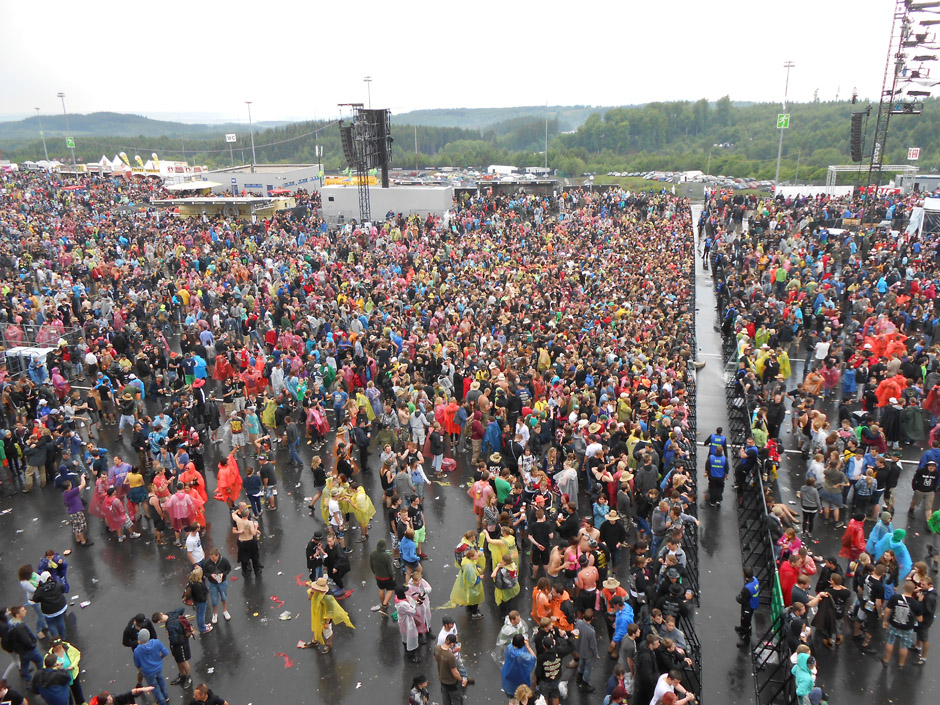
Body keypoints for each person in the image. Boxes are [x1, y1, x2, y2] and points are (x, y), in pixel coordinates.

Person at [303, 577, 354, 654]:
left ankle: (328, 644)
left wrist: (327, 622)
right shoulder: (316, 592)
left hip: (326, 616)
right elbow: (309, 598)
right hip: (318, 614)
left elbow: (330, 611)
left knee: (327, 631)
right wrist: (311, 593)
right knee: (316, 627)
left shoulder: (328, 597)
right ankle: (315, 640)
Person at [882, 579, 924, 668]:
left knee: (890, 641)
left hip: (893, 624)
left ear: (903, 587)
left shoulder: (895, 597)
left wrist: (885, 620)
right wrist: (920, 602)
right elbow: (920, 619)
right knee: (904, 646)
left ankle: (886, 660)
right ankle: (901, 664)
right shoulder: (916, 604)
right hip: (907, 628)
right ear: (913, 591)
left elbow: (887, 610)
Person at [151, 609, 192, 688]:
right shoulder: (170, 613)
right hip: (182, 641)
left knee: (183, 661)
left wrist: (170, 638)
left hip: (180, 644)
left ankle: (188, 676)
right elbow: (181, 609)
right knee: (178, 660)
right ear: (161, 613)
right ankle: (182, 675)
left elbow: (173, 639)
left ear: (159, 621)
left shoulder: (170, 626)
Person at [132, 629, 170, 705]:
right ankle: (166, 697)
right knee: (161, 682)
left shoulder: (137, 650)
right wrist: (160, 658)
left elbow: (137, 664)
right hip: (158, 668)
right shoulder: (157, 642)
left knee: (154, 687)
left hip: (148, 672)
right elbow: (165, 652)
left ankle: (161, 702)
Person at [450, 547, 484, 619]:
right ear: (471, 557)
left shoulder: (466, 561)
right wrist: (479, 577)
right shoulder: (469, 567)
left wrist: (477, 566)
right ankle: (474, 614)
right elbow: (471, 581)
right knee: (475, 599)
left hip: (465, 585)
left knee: (469, 598)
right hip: (472, 587)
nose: (477, 556)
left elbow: (474, 564)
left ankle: (470, 607)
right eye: (475, 555)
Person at [434, 634, 466, 705]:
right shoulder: (450, 656)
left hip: (442, 680)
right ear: (452, 643)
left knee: (445, 700)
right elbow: (455, 672)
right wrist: (461, 679)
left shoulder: (437, 648)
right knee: (456, 700)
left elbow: (435, 659)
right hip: (452, 683)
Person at [232, 502, 263, 576]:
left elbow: (233, 514)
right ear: (247, 514)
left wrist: (237, 510)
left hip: (241, 541)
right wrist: (256, 527)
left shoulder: (238, 520)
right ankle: (257, 570)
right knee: (254, 557)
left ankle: (245, 571)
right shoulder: (249, 523)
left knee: (244, 558)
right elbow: (253, 533)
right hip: (250, 541)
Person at [202, 548, 232, 624]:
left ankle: (225, 611)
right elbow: (205, 572)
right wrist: (211, 575)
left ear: (217, 555)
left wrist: (222, 574)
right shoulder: (207, 563)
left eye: (214, 557)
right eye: (211, 558)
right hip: (212, 584)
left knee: (224, 597)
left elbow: (228, 569)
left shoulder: (224, 561)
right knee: (214, 600)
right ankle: (215, 614)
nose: (212, 559)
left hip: (222, 582)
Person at [534, 633, 563, 705]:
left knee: (544, 697)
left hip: (546, 681)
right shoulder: (559, 652)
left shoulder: (541, 657)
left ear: (544, 646)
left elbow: (538, 672)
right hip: (557, 678)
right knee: (555, 695)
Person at [574, 609, 599, 693]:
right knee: (587, 668)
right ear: (592, 618)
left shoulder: (578, 623)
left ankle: (578, 678)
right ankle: (585, 683)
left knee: (581, 664)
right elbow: (593, 645)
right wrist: (596, 654)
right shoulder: (591, 631)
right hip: (587, 652)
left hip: (580, 650)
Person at [736, 567, 760, 647]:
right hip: (753, 603)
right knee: (745, 620)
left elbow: (741, 599)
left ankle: (746, 640)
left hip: (748, 607)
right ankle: (742, 630)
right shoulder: (755, 580)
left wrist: (738, 597)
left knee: (746, 621)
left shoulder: (747, 588)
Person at [395, 586, 420, 662]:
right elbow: (412, 611)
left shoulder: (398, 599)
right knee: (412, 636)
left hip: (402, 620)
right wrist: (414, 604)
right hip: (407, 621)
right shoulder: (403, 604)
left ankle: (406, 647)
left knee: (405, 635)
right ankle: (411, 655)